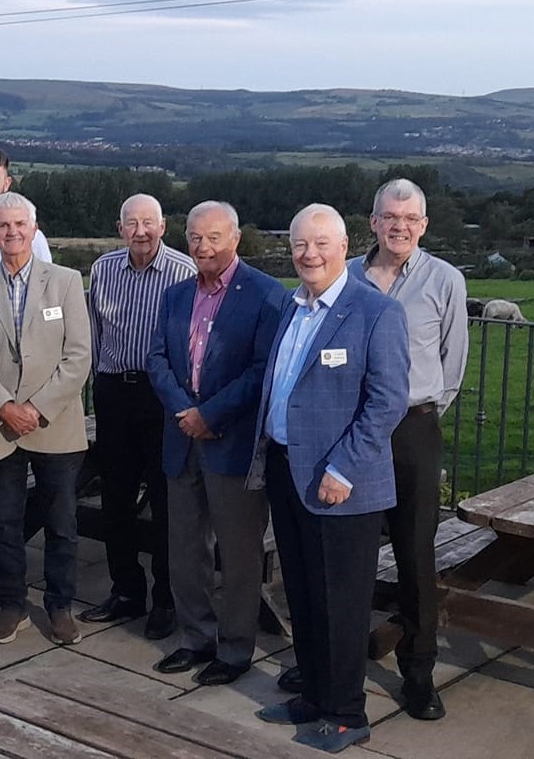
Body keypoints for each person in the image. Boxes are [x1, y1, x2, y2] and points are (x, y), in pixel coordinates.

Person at [249, 203, 409, 754]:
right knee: (304, 595)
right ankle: (314, 696)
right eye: (299, 244)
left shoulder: (375, 312)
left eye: (321, 244)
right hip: (288, 471)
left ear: (345, 247)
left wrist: (342, 467)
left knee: (341, 603)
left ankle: (346, 712)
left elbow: (387, 403)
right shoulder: (292, 307)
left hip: (343, 483)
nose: (309, 254)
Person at [145, 202, 284, 686]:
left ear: (236, 238)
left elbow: (263, 371)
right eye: (195, 238)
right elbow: (157, 357)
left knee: (239, 552)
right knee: (185, 549)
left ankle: (236, 648)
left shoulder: (267, 296)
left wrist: (211, 414)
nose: (203, 247)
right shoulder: (176, 294)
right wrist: (186, 412)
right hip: (182, 440)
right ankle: (195, 637)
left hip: (233, 443)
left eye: (214, 237)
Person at [346, 179, 467, 720]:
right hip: (353, 432)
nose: (399, 226)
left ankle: (419, 673)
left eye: (410, 218)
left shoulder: (446, 280)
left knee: (416, 555)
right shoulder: (345, 275)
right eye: (389, 217)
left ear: (423, 225)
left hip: (413, 431)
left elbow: (452, 365)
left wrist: (416, 419)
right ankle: (339, 658)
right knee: (350, 551)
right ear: (372, 221)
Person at [0, 193, 92, 646]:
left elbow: (78, 357)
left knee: (61, 524)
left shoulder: (68, 282)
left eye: (20, 225)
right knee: (2, 522)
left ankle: (60, 606)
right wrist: (5, 408)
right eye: (3, 226)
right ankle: (10, 603)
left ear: (34, 230)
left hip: (54, 424)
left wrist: (34, 409)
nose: (12, 232)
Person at [82, 193, 196, 639]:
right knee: (116, 496)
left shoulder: (184, 272)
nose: (141, 231)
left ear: (164, 227)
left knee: (167, 501)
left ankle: (166, 599)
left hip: (161, 396)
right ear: (120, 228)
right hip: (113, 391)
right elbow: (94, 335)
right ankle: (126, 590)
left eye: (149, 223)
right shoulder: (104, 270)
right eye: (132, 223)